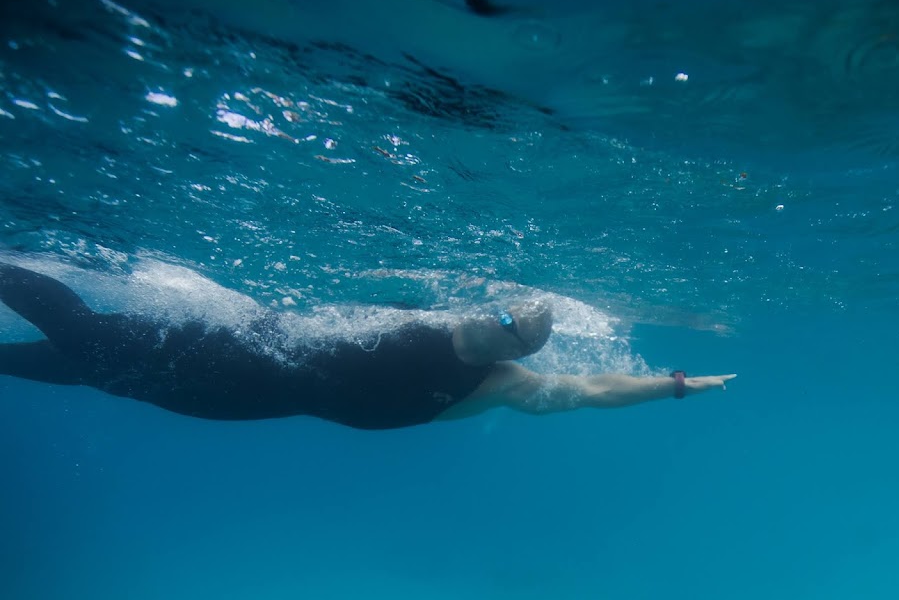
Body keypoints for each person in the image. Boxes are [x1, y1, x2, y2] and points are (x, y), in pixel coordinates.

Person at [0, 262, 736, 430]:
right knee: (86, 335)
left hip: (224, 402)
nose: (515, 334)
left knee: (93, 371)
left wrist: (676, 384)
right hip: (217, 343)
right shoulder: (414, 311)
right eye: (513, 318)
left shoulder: (497, 383)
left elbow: (590, 391)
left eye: (528, 338)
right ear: (490, 308)